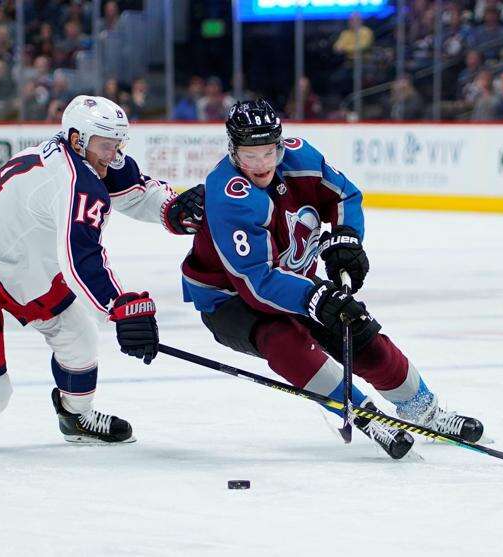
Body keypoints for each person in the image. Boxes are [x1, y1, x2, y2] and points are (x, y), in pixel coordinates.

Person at [180, 99, 483, 459]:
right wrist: (316, 298)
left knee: (357, 329)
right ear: (233, 150)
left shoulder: (300, 159)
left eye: (268, 152)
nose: (261, 164)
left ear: (280, 144)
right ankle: (364, 414)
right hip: (230, 297)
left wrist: (347, 238)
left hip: (292, 280)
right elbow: (257, 282)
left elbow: (345, 195)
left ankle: (427, 413)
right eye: (250, 155)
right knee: (283, 340)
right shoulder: (228, 195)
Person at [0, 95, 204, 446]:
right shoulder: (74, 181)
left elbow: (133, 191)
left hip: (24, 269)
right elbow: (79, 258)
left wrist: (172, 208)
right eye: (106, 145)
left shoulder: (86, 157)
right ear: (78, 139)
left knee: (80, 337)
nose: (113, 155)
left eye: (118, 145)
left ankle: (77, 416)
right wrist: (118, 306)